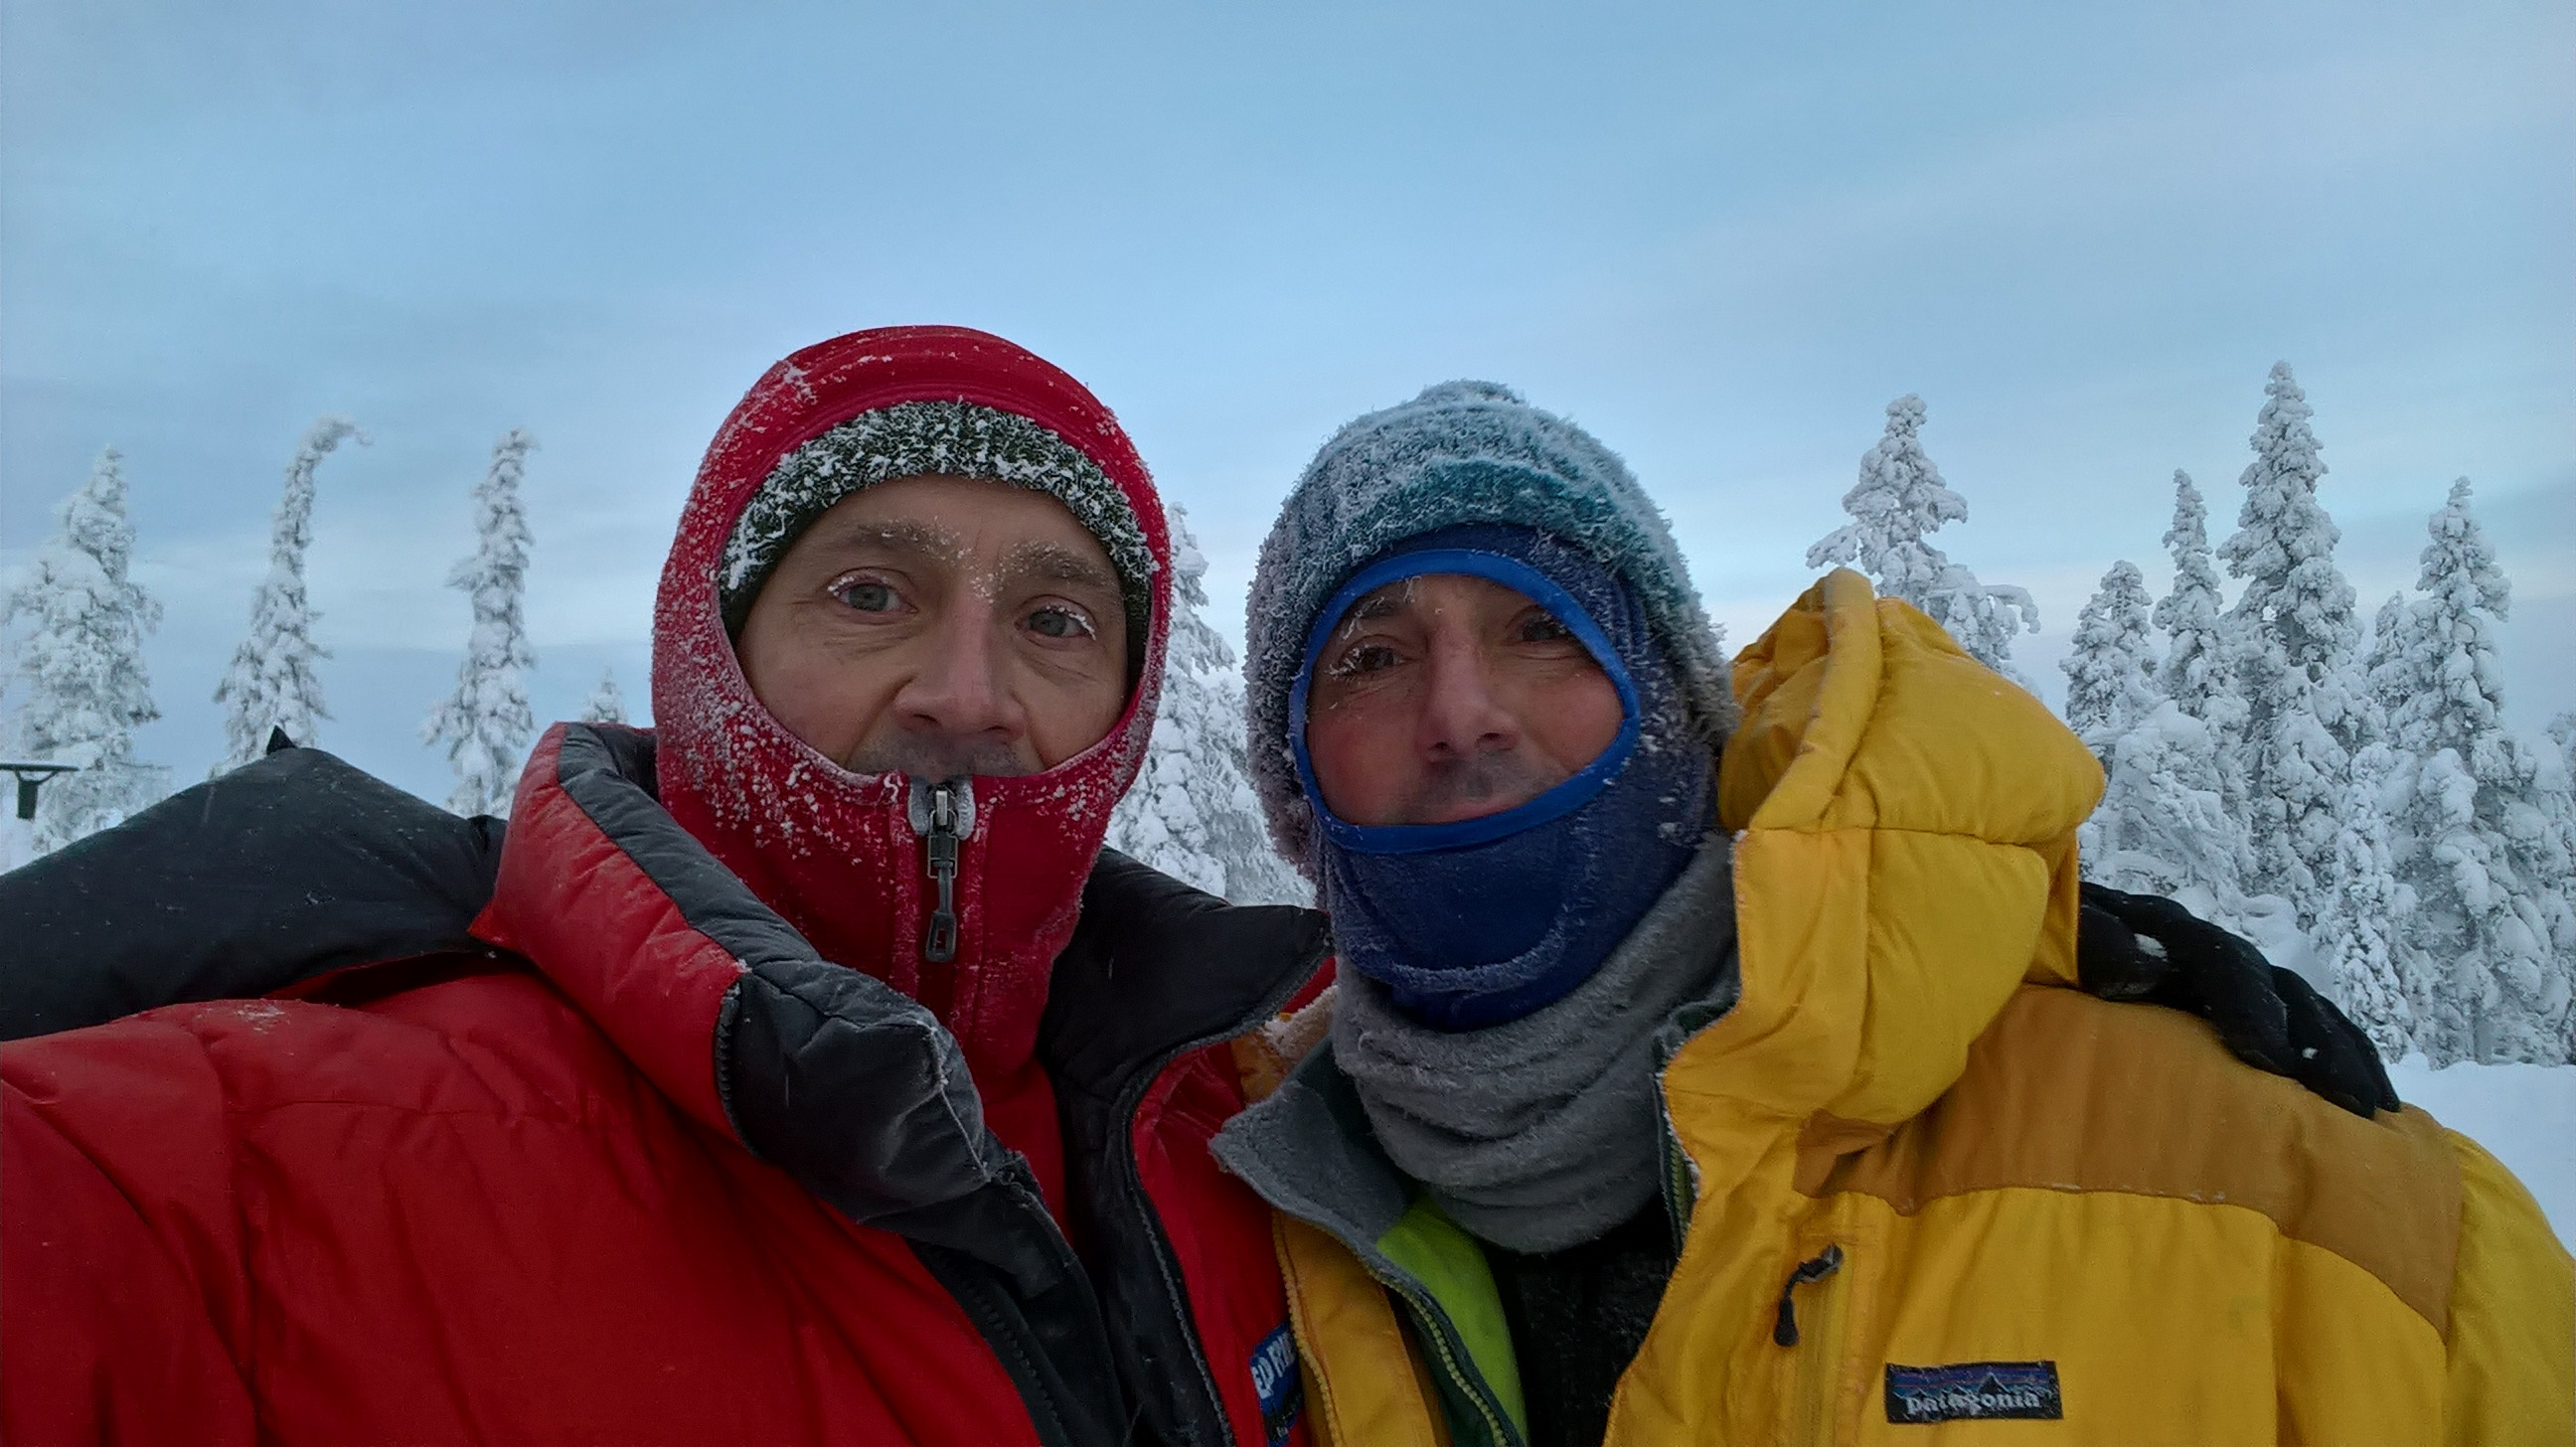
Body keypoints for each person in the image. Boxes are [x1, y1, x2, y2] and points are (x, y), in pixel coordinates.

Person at [0, 327, 1333, 1447]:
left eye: (1055, 621)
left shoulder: (1256, 1123)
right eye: (872, 593)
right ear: (715, 647)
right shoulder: (277, 1150)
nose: (966, 694)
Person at [1210, 381, 2574, 1445]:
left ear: (1688, 714)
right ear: (1292, 788)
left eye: (1546, 628)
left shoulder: (2319, 1213)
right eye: (1373, 656)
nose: (1461, 714)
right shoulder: (1214, 1204)